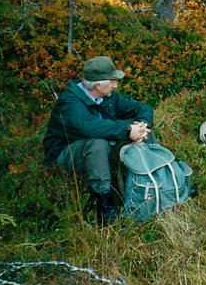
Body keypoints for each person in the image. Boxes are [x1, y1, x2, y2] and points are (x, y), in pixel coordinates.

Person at [43, 56, 157, 225]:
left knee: (144, 132)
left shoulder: (109, 97)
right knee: (97, 142)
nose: (115, 85)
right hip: (65, 153)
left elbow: (142, 107)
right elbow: (90, 127)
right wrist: (127, 129)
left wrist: (142, 125)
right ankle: (106, 207)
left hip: (99, 147)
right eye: (112, 81)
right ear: (98, 85)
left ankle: (159, 179)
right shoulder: (69, 103)